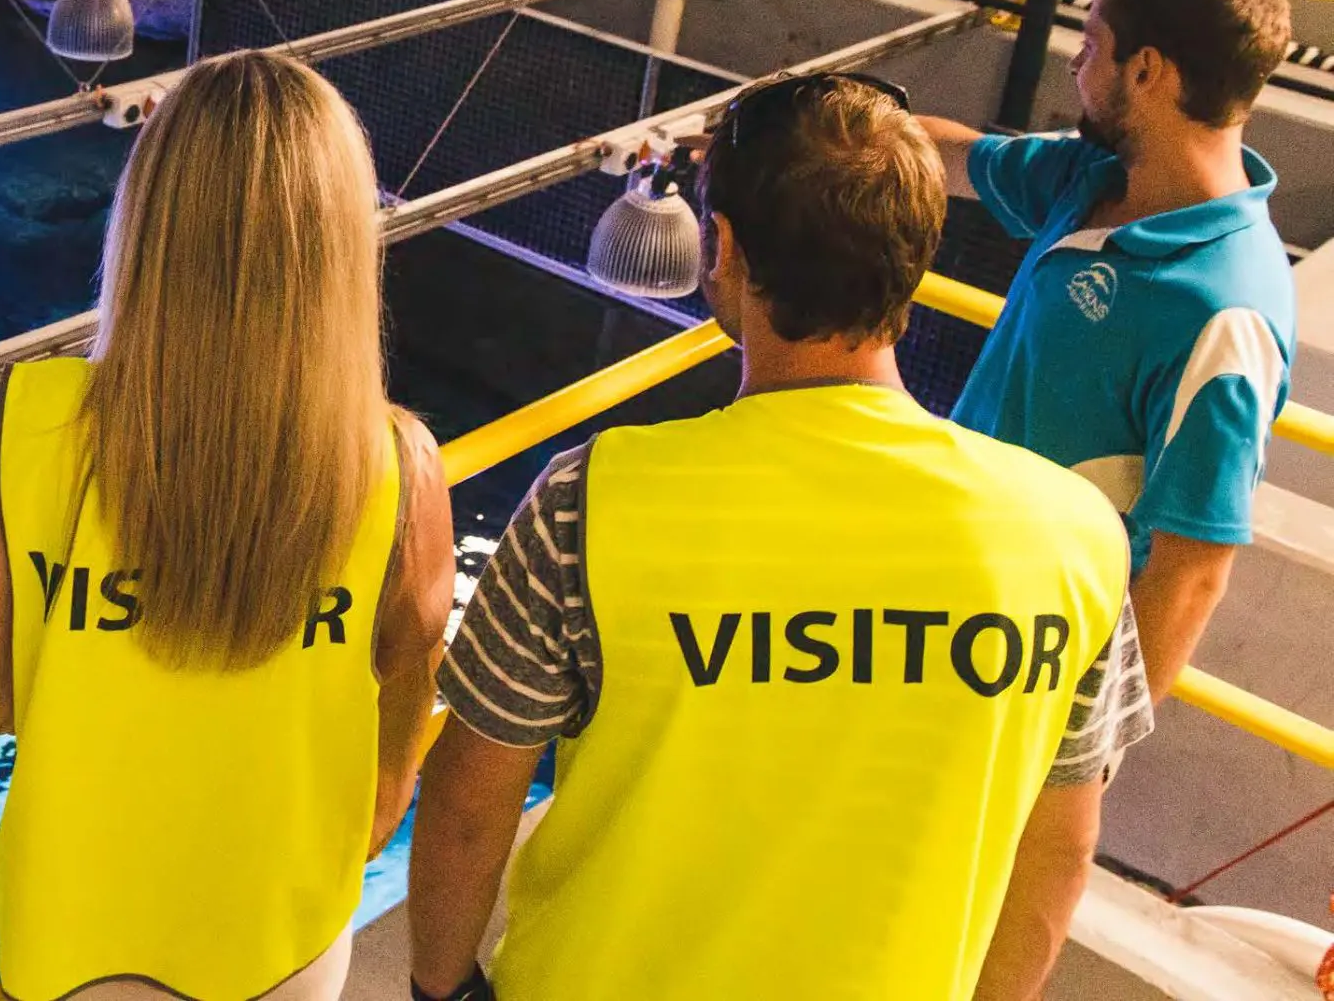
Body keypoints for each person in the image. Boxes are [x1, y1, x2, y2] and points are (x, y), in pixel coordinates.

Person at [409, 75, 1152, 1001]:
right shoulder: (1076, 537)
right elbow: (1058, 849)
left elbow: (469, 803)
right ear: (914, 256)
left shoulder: (591, 502)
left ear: (721, 247)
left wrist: (440, 988)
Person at [0, 50, 452, 1001]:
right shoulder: (399, 464)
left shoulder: (41, 420)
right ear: (338, 250)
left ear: (147, 227)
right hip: (280, 940)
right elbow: (406, 702)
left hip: (74, 936)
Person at [918, 0, 1294, 702]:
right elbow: (948, 154)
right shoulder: (1091, 175)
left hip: (1020, 663)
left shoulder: (1224, 309)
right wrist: (791, 126)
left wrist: (1090, 758)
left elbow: (1191, 571)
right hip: (945, 588)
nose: (1075, 66)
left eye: (1090, 46)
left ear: (1146, 71)